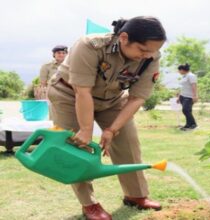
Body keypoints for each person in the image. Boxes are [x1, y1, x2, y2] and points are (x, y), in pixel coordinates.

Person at [47, 16, 166, 220]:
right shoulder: (89, 46)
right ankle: (89, 204)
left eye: (153, 51)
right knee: (75, 148)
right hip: (69, 95)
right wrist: (86, 130)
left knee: (128, 142)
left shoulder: (151, 58)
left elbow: (137, 98)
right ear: (124, 37)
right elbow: (82, 91)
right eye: (143, 50)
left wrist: (111, 130)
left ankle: (135, 195)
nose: (147, 55)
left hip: (112, 99)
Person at [177, 63, 198, 131]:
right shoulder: (184, 76)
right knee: (187, 111)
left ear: (183, 70)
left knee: (186, 110)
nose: (179, 72)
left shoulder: (191, 76)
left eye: (179, 70)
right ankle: (188, 125)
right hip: (183, 96)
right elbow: (182, 87)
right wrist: (179, 97)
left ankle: (193, 124)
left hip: (189, 96)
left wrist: (195, 96)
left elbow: (194, 86)